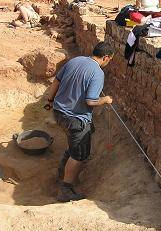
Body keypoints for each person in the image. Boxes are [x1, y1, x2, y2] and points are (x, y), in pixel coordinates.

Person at [46, 42, 114, 202]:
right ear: (105, 57)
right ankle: (66, 189)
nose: (108, 62)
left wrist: (49, 100)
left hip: (59, 112)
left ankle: (62, 169)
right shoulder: (97, 73)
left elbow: (56, 81)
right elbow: (90, 101)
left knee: (80, 138)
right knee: (79, 155)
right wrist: (105, 99)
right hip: (75, 119)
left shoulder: (74, 61)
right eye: (109, 60)